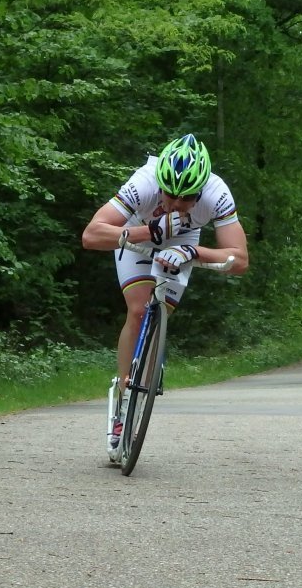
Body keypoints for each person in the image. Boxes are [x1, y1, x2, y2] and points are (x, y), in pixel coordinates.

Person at [82, 134, 249, 447]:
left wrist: (193, 253)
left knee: (158, 311)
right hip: (135, 235)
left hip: (182, 243)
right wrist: (151, 231)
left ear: (201, 191)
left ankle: (148, 367)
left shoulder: (218, 194)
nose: (174, 203)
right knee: (138, 308)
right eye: (169, 193)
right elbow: (92, 235)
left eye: (186, 199)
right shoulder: (144, 182)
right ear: (159, 181)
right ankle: (124, 401)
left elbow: (239, 259)